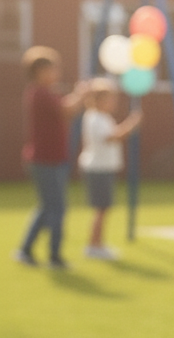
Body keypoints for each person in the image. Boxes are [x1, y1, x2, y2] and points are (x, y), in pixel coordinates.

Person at [16, 47, 89, 268]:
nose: (57, 73)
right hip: (45, 160)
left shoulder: (46, 92)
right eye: (53, 69)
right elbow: (67, 110)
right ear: (40, 71)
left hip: (50, 159)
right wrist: (82, 94)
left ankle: (25, 250)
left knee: (46, 207)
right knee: (57, 208)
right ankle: (54, 257)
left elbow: (67, 109)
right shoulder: (40, 93)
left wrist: (78, 97)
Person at [79, 79, 143, 260]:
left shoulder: (102, 117)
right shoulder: (95, 118)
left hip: (103, 168)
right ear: (98, 100)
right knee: (101, 208)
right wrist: (132, 123)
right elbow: (112, 137)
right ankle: (94, 245)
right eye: (109, 99)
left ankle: (97, 243)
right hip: (98, 169)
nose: (113, 102)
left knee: (103, 208)